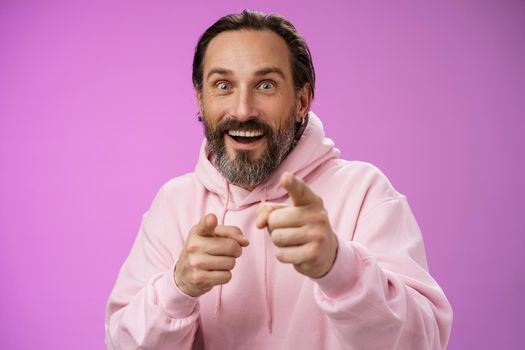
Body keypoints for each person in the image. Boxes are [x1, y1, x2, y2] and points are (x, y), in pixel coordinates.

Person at [105, 9, 452, 350]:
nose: (242, 110)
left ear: (302, 101)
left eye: (266, 85)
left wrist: (339, 266)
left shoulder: (365, 192)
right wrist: (177, 288)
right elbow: (120, 343)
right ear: (200, 98)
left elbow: (423, 343)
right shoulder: (173, 203)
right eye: (223, 85)